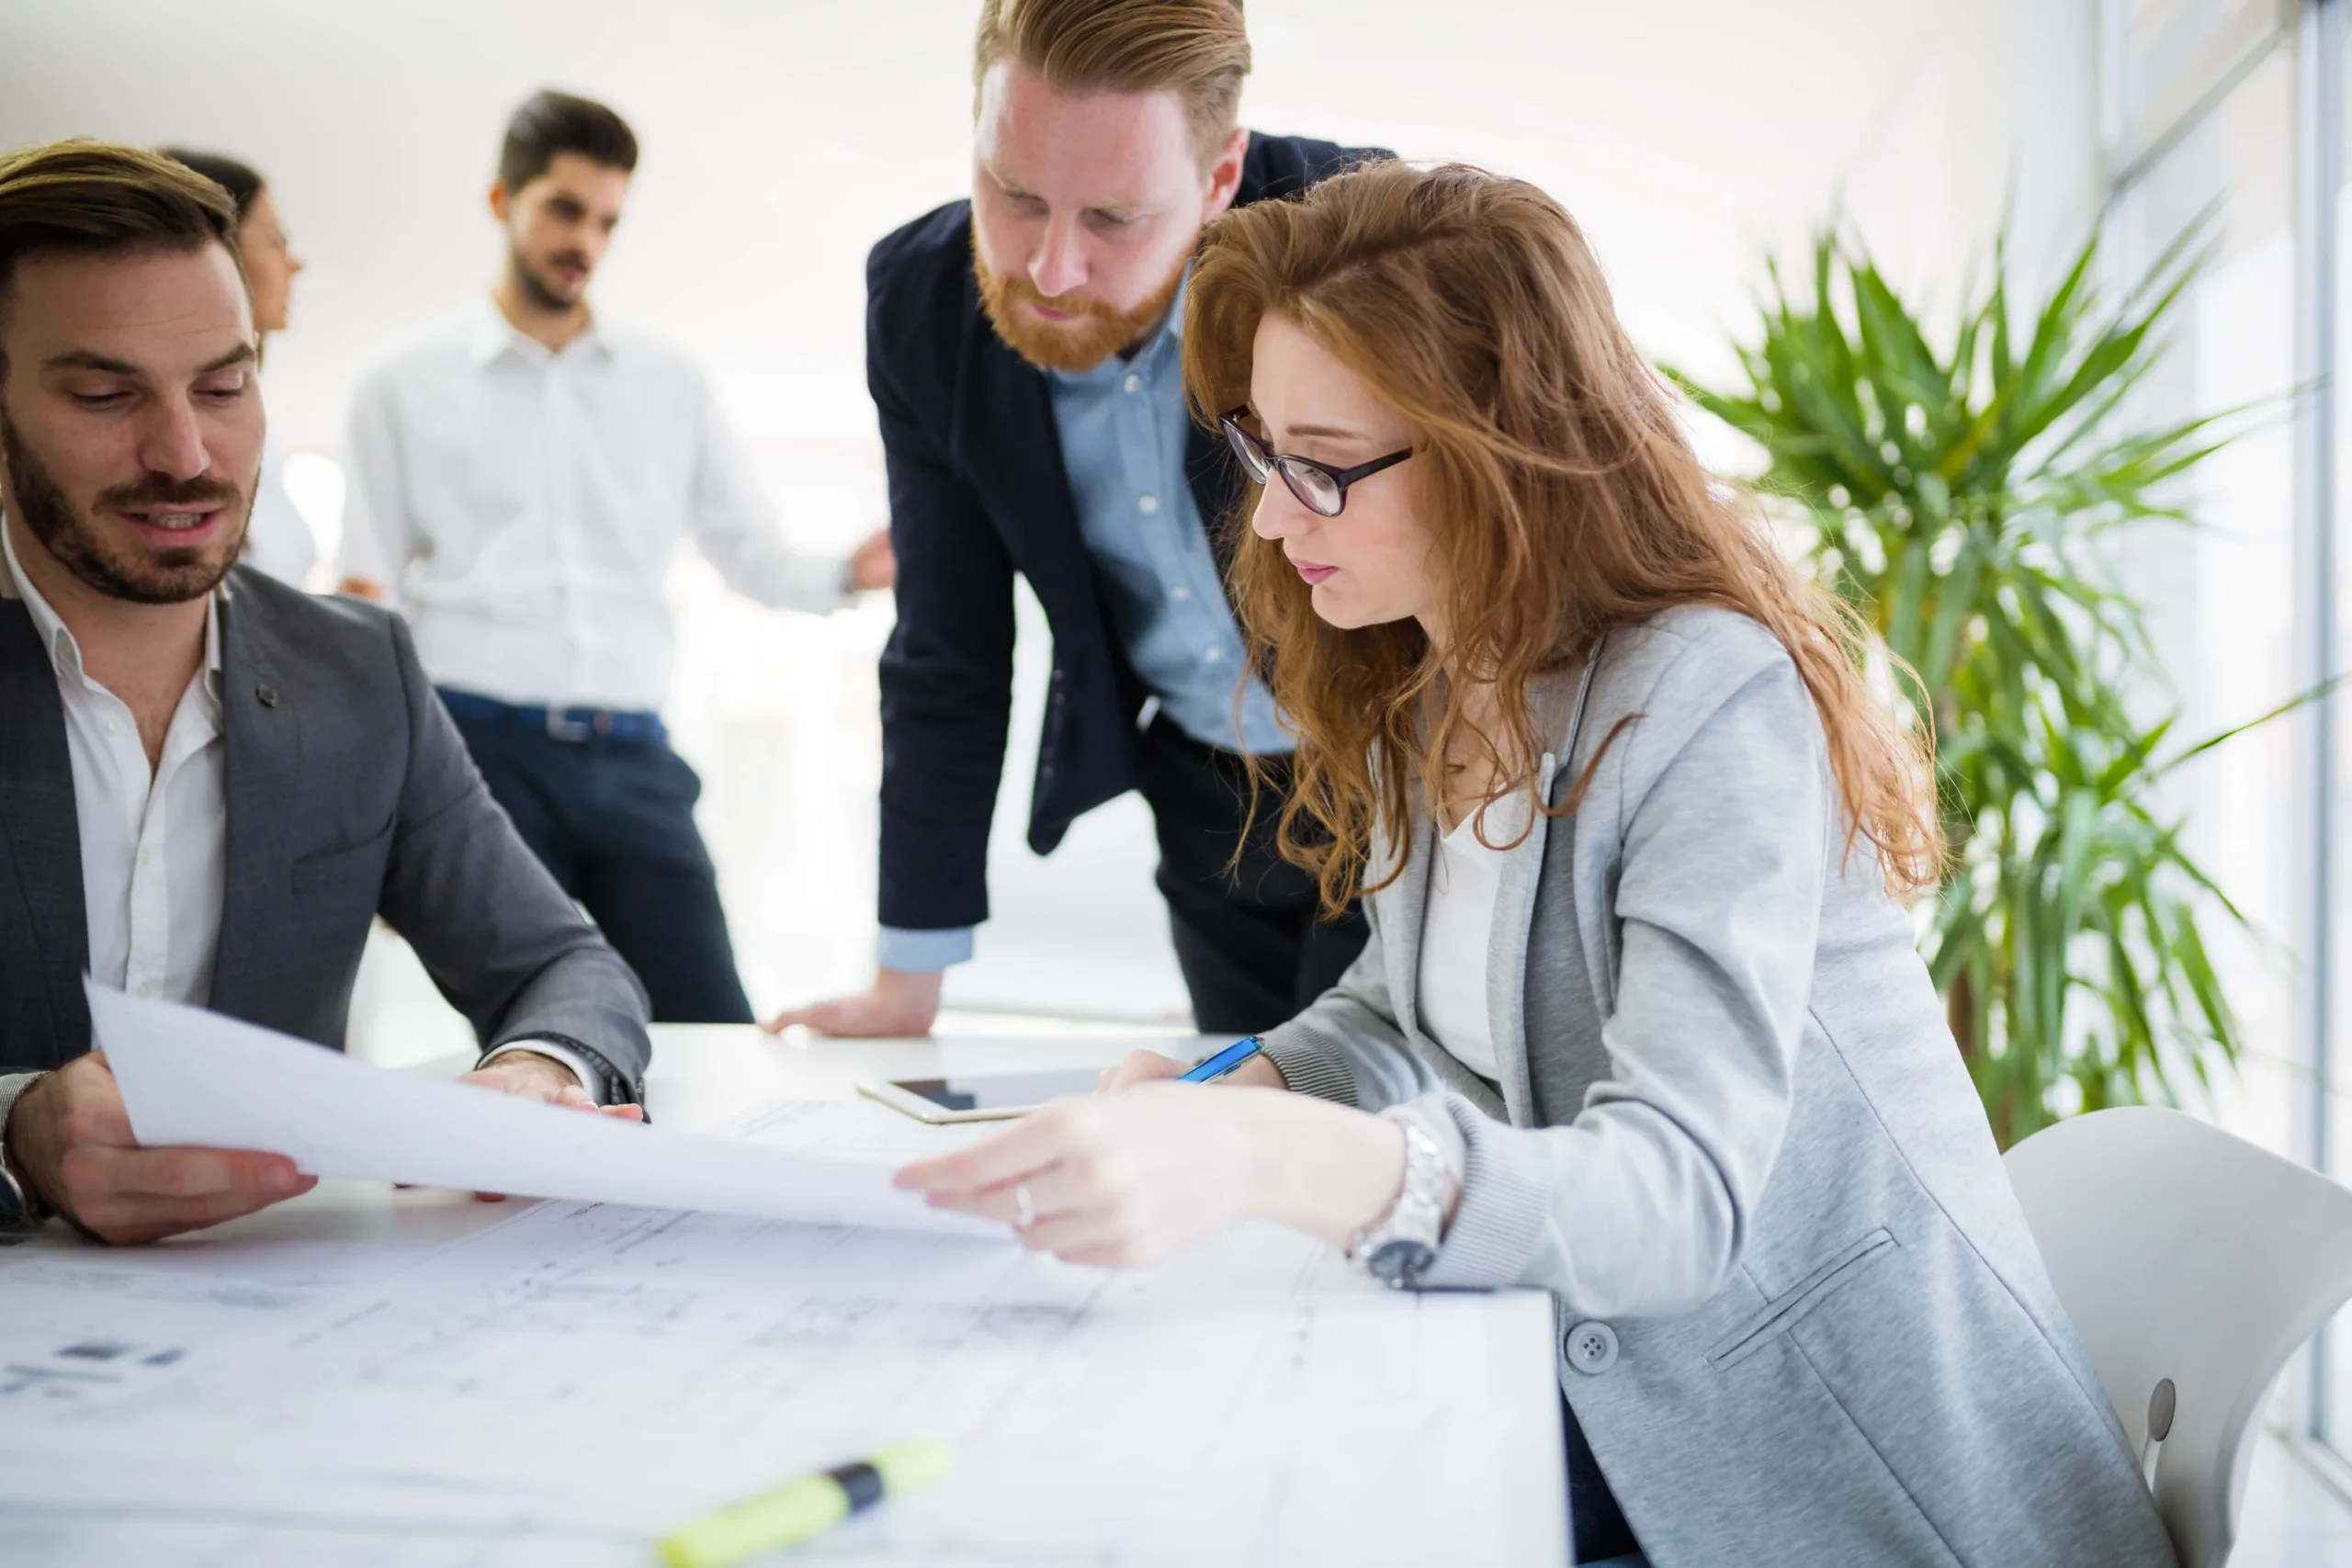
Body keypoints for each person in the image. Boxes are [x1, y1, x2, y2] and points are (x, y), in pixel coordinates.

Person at [897, 163, 2179, 1567]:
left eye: (1319, 465)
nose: (1267, 521)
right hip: (1614, 1413)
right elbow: (1397, 1007)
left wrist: (1277, 1157)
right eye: (1264, 454)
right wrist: (1227, 1089)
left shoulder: (1709, 699)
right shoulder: (1441, 680)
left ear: (1500, 450)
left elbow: (1682, 1194)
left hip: (1849, 1489)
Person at [0, 140, 653, 1247]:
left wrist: (540, 1075)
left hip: (289, 1351)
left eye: (225, 384)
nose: (186, 451)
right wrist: (17, 1134)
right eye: (108, 396)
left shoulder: (362, 676)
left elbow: (561, 965)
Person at [770, 0, 1385, 1041]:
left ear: (1221, 177)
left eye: (1114, 219)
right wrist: (905, 981)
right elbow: (945, 652)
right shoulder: (921, 303)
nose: (1051, 271)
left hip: (1397, 765)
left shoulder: (1364, 233)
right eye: (1013, 195)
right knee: (1229, 1122)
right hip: (1203, 790)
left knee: (1343, 1126)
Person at [337, 90, 892, 1024]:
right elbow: (365, 601)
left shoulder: (669, 385)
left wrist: (848, 572)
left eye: (605, 220)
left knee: (705, 1023)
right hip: (477, 758)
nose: (584, 240)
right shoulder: (400, 385)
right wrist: (384, 813)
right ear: (500, 201)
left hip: (635, 757)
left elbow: (747, 552)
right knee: (526, 1036)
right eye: (563, 208)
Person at [160, 148, 315, 589]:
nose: (295, 263)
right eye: (276, 240)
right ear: (216, 249)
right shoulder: (179, 441)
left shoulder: (267, 423)